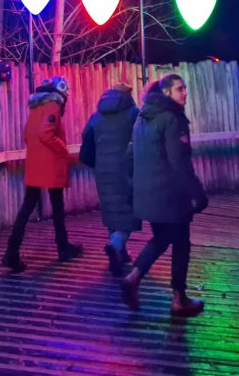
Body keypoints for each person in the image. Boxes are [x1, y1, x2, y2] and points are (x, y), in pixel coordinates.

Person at [121, 73, 208, 317]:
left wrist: (133, 188)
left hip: (148, 195)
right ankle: (179, 300)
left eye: (185, 88)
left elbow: (130, 157)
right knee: (181, 243)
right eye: (180, 89)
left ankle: (134, 277)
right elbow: (179, 162)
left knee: (161, 238)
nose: (185, 93)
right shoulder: (172, 119)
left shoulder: (142, 118)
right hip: (171, 195)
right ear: (167, 92)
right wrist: (198, 194)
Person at [2, 76, 84, 273]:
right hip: (51, 163)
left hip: (36, 163)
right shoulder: (53, 106)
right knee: (57, 206)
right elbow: (45, 133)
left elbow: (27, 135)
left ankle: (12, 251)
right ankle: (62, 247)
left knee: (28, 205)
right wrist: (62, 150)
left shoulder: (36, 108)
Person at [79, 82, 140, 276]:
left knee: (111, 208)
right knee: (129, 209)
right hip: (126, 168)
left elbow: (86, 136)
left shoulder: (96, 116)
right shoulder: (132, 113)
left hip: (102, 169)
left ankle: (120, 254)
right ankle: (116, 245)